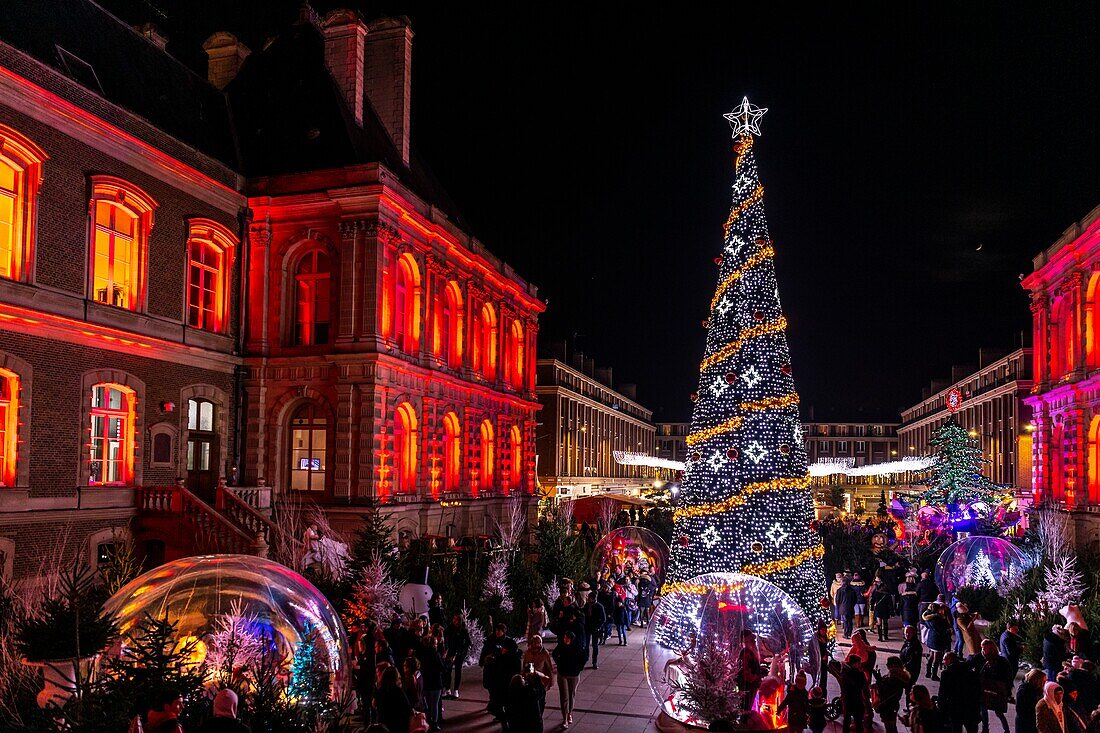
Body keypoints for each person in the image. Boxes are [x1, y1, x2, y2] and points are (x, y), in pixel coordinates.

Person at [480, 622, 519, 719]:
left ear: (504, 631)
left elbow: (516, 654)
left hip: (503, 671)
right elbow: (485, 651)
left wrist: (506, 653)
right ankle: (494, 705)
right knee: (492, 689)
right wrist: (483, 660)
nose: (497, 632)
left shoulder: (509, 642)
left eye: (499, 630)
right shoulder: (491, 639)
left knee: (501, 692)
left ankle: (499, 711)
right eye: (496, 630)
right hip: (491, 669)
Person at [938, 652, 981, 733]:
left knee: (956, 728)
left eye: (944, 660)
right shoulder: (971, 672)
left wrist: (941, 706)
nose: (943, 662)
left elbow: (943, 692)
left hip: (955, 708)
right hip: (970, 707)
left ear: (950, 660)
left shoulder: (946, 673)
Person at [552, 631, 586, 728]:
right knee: (564, 696)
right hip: (562, 674)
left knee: (571, 695)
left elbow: (584, 657)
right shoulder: (561, 646)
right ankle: (565, 718)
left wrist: (579, 667)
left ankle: (570, 713)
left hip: (574, 674)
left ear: (571, 639)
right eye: (564, 638)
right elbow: (554, 654)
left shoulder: (578, 647)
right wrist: (559, 663)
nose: (565, 640)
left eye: (567, 638)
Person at [977, 639, 1013, 733]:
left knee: (998, 712)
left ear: (991, 648)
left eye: (984, 648)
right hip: (985, 689)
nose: (983, 651)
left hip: (997, 690)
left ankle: (1006, 730)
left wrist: (1007, 692)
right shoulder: (982, 658)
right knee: (984, 709)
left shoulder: (1001, 661)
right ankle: (985, 729)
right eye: (982, 648)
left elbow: (1007, 677)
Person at [873, 656, 910, 733]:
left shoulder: (894, 678)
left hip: (888, 706)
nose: (886, 665)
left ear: (893, 665)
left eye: (888, 663)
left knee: (889, 728)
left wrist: (879, 680)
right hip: (892, 705)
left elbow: (884, 692)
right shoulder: (896, 676)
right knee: (892, 726)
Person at [836, 650, 868, 733]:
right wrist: (861, 674)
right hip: (853, 699)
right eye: (858, 663)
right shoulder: (852, 673)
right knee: (857, 721)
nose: (860, 665)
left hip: (848, 699)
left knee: (847, 719)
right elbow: (860, 685)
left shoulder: (846, 671)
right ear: (853, 664)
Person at [417, 636, 445, 731]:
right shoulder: (435, 654)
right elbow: (441, 667)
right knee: (435, 704)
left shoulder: (421, 654)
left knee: (428, 703)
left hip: (426, 681)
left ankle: (428, 721)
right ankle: (434, 722)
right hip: (436, 681)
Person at [521, 634, 554, 714]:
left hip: (541, 681)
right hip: (530, 680)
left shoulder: (544, 653)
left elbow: (549, 668)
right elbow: (525, 664)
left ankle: (539, 716)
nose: (537, 644)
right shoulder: (528, 652)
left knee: (540, 701)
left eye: (539, 643)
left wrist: (550, 681)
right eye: (535, 643)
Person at [375, 666, 412, 733]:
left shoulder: (380, 691)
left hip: (383, 723)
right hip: (398, 723)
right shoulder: (398, 691)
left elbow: (374, 704)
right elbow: (407, 707)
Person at [443, 612, 471, 699]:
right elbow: (445, 637)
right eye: (454, 619)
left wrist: (461, 652)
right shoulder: (449, 629)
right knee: (448, 670)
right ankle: (447, 689)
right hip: (450, 652)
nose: (454, 621)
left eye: (456, 619)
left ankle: (456, 690)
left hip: (459, 653)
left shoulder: (463, 630)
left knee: (458, 670)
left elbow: (468, 642)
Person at [922, 601, 952, 681]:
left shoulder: (928, 618)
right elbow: (941, 631)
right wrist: (948, 631)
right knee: (936, 658)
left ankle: (928, 672)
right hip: (937, 640)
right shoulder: (937, 619)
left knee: (931, 656)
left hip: (931, 639)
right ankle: (933, 674)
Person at [736, 630, 763, 711]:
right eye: (752, 641)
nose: (754, 643)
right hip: (747, 685)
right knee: (745, 707)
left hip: (751, 685)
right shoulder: (746, 652)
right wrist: (755, 678)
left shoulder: (751, 652)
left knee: (748, 706)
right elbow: (744, 670)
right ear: (747, 641)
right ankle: (744, 722)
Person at [1017, 668, 1048, 733]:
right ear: (1037, 680)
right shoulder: (1025, 691)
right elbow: (1022, 710)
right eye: (1043, 681)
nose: (1045, 683)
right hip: (1026, 723)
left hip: (1030, 722)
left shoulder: (1036, 689)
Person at [584, 591, 607, 669]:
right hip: (587, 627)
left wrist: (598, 626)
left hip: (595, 628)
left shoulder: (599, 606)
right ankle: (585, 658)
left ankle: (594, 662)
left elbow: (603, 619)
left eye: (589, 598)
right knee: (586, 644)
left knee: (595, 645)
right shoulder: (586, 606)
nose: (588, 599)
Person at [899, 624, 923, 694]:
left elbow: (913, 662)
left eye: (909, 633)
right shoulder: (907, 643)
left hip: (911, 672)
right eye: (906, 632)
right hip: (904, 670)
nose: (907, 634)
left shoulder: (916, 646)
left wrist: (904, 666)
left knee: (909, 691)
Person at [836, 574, 857, 639]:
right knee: (849, 621)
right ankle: (849, 633)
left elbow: (837, 600)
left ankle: (846, 634)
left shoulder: (840, 590)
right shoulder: (852, 590)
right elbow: (855, 599)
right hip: (850, 607)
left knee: (845, 621)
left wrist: (839, 606)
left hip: (842, 608)